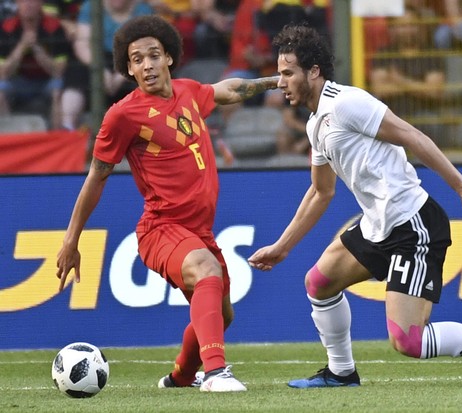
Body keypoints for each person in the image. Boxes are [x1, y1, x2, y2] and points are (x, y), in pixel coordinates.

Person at [248, 24, 462, 388]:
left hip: (413, 224)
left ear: (313, 71)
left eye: (287, 73)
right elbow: (320, 191)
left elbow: (413, 137)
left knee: (409, 342)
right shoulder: (316, 124)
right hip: (377, 226)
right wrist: (282, 247)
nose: (280, 82)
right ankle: (341, 372)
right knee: (319, 282)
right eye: (279, 73)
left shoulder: (347, 103)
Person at [56, 15, 279, 392]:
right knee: (207, 270)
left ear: (169, 59)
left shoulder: (189, 92)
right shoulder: (122, 115)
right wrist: (70, 240)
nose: (147, 65)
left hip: (199, 231)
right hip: (160, 229)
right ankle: (216, 373)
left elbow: (230, 89)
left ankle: (180, 377)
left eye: (153, 55)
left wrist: (278, 80)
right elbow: (96, 177)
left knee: (222, 315)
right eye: (137, 59)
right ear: (128, 68)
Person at [59, 0, 154, 130]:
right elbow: (82, 46)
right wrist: (100, 71)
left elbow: (148, 50)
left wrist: (122, 74)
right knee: (76, 72)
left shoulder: (144, 11)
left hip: (131, 61)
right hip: (97, 59)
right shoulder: (90, 7)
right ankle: (68, 127)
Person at [369, 6, 447, 147]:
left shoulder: (431, 54)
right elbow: (380, 89)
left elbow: (434, 91)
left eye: (411, 25)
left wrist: (399, 80)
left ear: (419, 27)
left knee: (432, 123)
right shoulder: (384, 54)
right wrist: (419, 86)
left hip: (424, 114)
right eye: (403, 26)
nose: (407, 30)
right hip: (391, 115)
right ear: (394, 29)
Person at [0, 0, 72, 128]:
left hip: (47, 82)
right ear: (17, 3)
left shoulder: (54, 26)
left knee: (59, 88)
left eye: (33, 1)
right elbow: (3, 73)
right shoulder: (7, 27)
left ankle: (57, 138)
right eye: (23, 1)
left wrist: (37, 48)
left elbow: (58, 72)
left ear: (41, 3)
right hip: (18, 82)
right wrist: (21, 47)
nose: (28, 4)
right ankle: (9, 136)